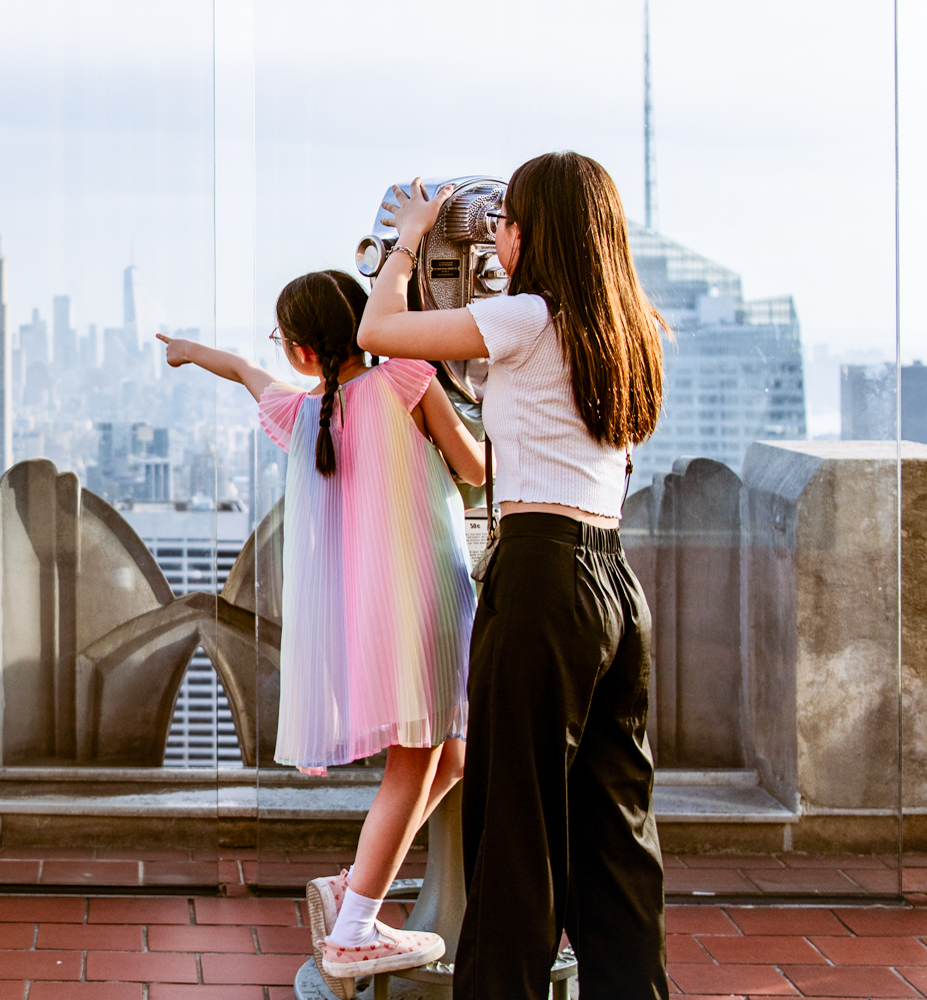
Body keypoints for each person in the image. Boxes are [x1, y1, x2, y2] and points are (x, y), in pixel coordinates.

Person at [356, 154, 669, 999]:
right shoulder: (630, 323)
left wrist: (410, 242)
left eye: (506, 221)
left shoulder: (525, 317)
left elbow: (377, 334)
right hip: (614, 586)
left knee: (515, 834)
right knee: (617, 834)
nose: (495, 234)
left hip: (540, 579)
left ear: (536, 233)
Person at [158, 269, 484, 997]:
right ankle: (354, 930)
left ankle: (353, 886)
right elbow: (474, 470)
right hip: (427, 602)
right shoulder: (406, 377)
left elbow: (246, 372)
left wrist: (187, 351)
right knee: (417, 759)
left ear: (303, 351)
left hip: (370, 620)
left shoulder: (304, 415)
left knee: (455, 755)